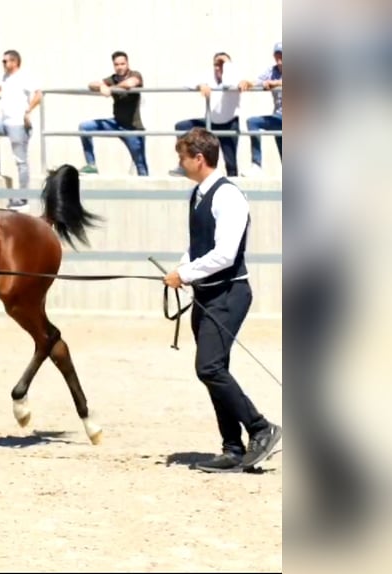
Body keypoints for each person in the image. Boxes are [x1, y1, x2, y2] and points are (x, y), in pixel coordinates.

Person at [163, 127, 281, 473]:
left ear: (199, 158)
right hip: (207, 294)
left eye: (182, 157)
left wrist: (185, 274)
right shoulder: (198, 195)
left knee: (209, 367)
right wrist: (183, 268)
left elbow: (225, 254)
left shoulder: (228, 196)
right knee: (216, 370)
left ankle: (261, 428)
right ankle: (232, 447)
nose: (180, 164)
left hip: (228, 294)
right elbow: (200, 244)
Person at [0, 49, 42, 212]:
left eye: (5, 61)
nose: (3, 64)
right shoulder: (5, 77)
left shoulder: (25, 77)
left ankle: (23, 198)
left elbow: (39, 95)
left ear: (14, 62)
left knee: (20, 161)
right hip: (4, 121)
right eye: (2, 61)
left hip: (18, 123)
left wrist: (28, 111)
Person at [169, 52, 241, 177]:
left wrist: (227, 65)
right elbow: (187, 82)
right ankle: (183, 165)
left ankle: (231, 186)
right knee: (182, 126)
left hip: (229, 123)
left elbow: (229, 83)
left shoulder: (234, 76)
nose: (218, 67)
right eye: (216, 65)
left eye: (222, 64)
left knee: (231, 163)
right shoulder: (208, 76)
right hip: (210, 122)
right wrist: (200, 85)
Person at [78, 51, 149, 176]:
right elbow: (91, 84)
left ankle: (148, 192)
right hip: (116, 123)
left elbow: (131, 83)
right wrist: (101, 86)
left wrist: (110, 89)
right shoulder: (112, 79)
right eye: (117, 64)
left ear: (127, 63)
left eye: (122, 64)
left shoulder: (135, 74)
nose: (120, 67)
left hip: (133, 128)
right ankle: (91, 165)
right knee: (84, 127)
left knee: (141, 165)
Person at [238, 42, 283, 176]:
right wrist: (245, 82)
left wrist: (275, 83)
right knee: (253, 122)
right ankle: (256, 165)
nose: (280, 59)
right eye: (277, 55)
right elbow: (256, 81)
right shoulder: (272, 71)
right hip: (278, 118)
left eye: (283, 55)